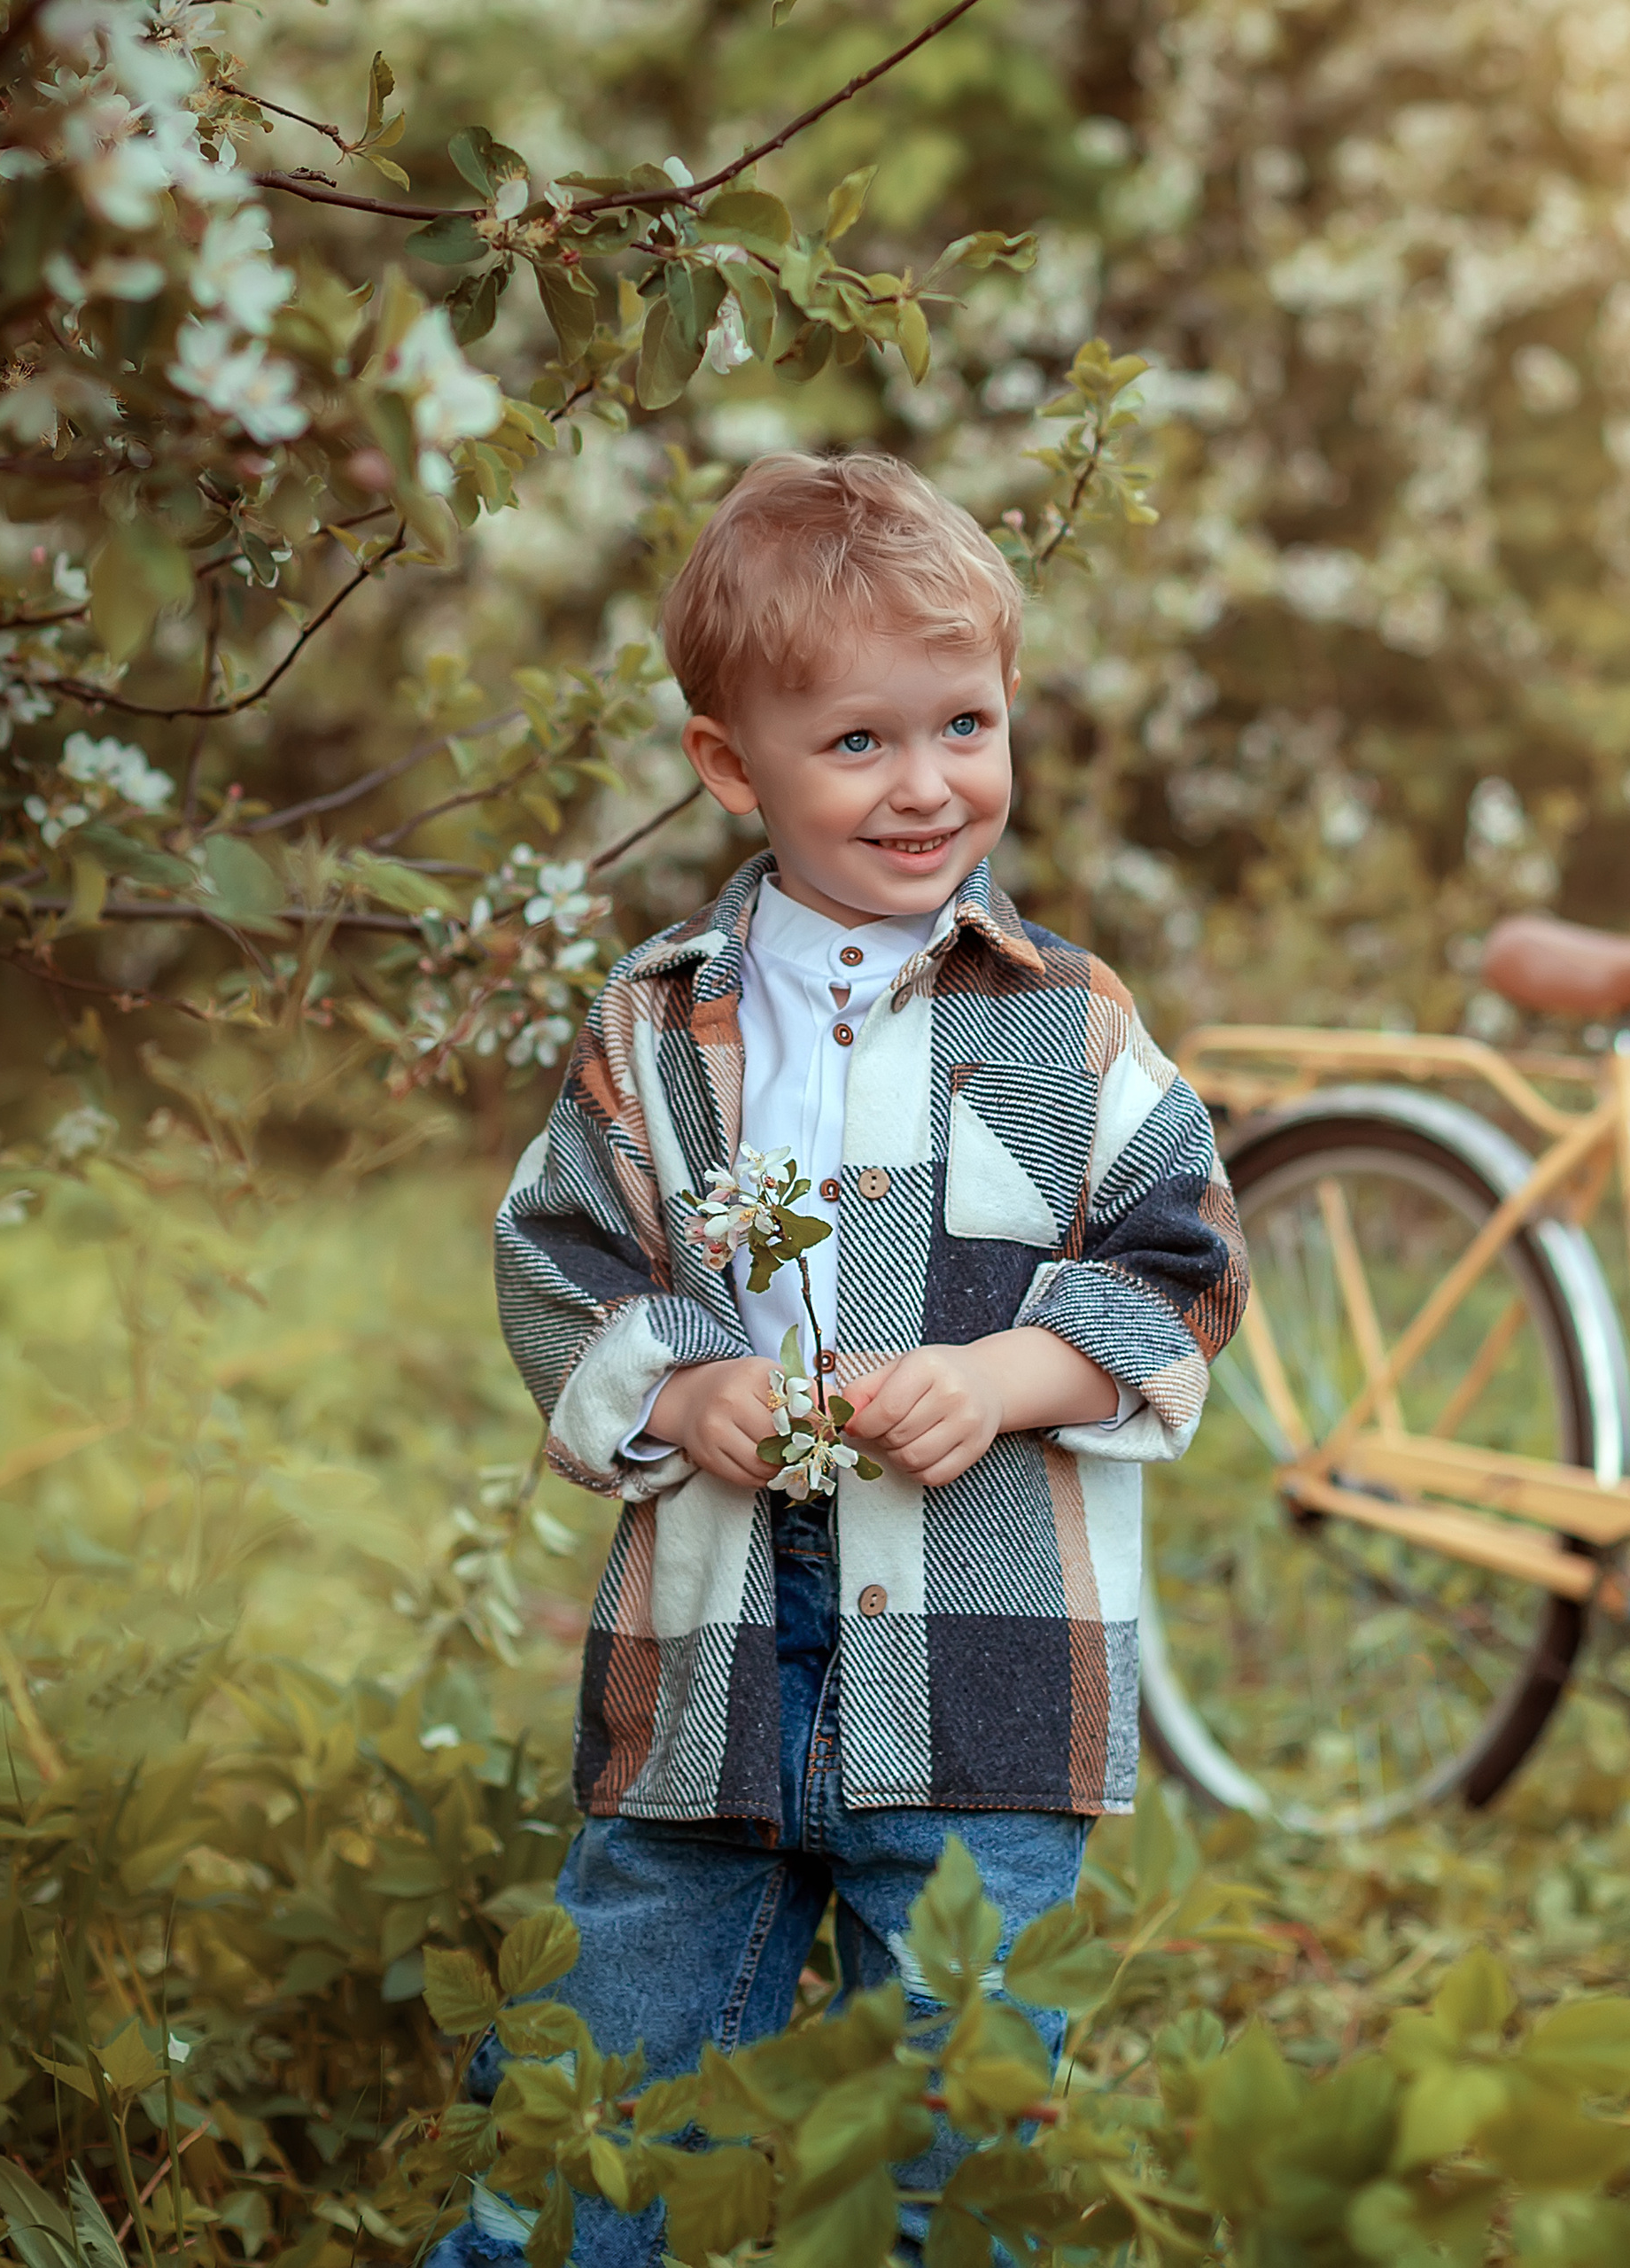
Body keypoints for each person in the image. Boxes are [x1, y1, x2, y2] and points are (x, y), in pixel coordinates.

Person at [446, 452, 1247, 2266]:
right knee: (607, 2059)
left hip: (981, 1661)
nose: (925, 784)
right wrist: (675, 1387)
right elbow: (555, 1256)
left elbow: (1184, 1256)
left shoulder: (1063, 1017)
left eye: (962, 723)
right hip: (710, 1652)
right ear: (731, 764)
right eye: (858, 742)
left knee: (955, 2117)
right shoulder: (655, 1025)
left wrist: (1010, 1375)